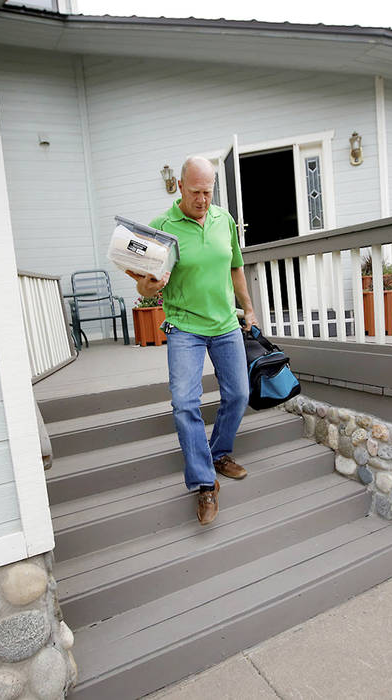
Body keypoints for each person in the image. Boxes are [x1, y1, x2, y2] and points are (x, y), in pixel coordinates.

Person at [126, 156, 257, 526]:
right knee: (185, 403)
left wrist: (248, 309)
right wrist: (150, 286)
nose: (202, 199)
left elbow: (235, 268)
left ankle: (219, 453)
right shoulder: (161, 227)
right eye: (196, 192)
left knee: (239, 394)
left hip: (225, 324)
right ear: (180, 187)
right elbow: (143, 285)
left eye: (208, 192)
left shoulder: (224, 220)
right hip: (185, 327)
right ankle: (204, 483)